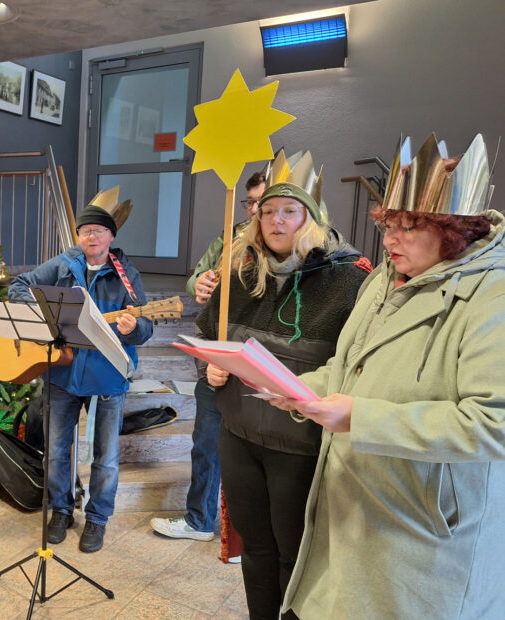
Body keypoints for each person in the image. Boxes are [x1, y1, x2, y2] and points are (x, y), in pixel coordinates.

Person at [272, 134, 505, 619]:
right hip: (358, 507)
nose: (388, 240)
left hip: (425, 531)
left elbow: (492, 424)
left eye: (408, 227)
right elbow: (348, 364)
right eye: (387, 224)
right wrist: (299, 389)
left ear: (456, 231)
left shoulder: (493, 297)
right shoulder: (384, 278)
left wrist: (361, 417)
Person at [195, 153, 371, 620]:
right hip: (239, 436)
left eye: (289, 211)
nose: (276, 220)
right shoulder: (238, 274)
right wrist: (209, 371)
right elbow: (211, 337)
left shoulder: (349, 281)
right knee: (255, 548)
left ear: (311, 219)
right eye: (268, 210)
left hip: (300, 444)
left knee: (296, 553)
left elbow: (357, 364)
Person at [9, 186, 152, 553]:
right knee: (57, 450)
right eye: (86, 230)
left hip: (107, 375)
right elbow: (19, 284)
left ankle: (98, 518)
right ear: (79, 236)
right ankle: (61, 509)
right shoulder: (63, 263)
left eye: (99, 230)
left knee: (105, 456)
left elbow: (147, 326)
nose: (92, 236)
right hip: (63, 373)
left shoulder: (125, 274)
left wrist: (132, 328)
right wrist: (44, 316)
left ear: (111, 236)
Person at [151, 170, 264, 548]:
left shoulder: (289, 247)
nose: (256, 211)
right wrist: (198, 283)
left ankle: (252, 535)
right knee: (205, 443)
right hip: (217, 352)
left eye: (263, 203)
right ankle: (200, 519)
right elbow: (196, 277)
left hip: (259, 361)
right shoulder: (229, 238)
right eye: (251, 203)